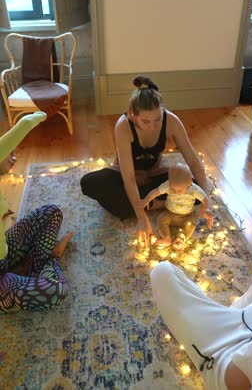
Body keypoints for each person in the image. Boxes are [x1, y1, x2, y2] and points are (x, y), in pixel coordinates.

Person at [80, 75, 209, 247]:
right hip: (125, 175)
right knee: (89, 182)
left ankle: (150, 203)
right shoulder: (123, 126)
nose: (153, 126)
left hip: (155, 175)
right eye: (146, 121)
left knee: (194, 191)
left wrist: (207, 200)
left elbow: (193, 161)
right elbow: (128, 177)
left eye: (158, 119)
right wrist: (142, 218)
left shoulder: (172, 121)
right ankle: (157, 204)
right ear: (133, 115)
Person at [0, 112, 74, 313]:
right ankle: (53, 257)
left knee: (51, 212)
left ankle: (34, 269)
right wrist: (32, 118)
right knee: (55, 291)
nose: (13, 157)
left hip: (4, 253)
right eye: (9, 151)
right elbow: (21, 126)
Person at [150, 261, 252, 389]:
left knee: (162, 272)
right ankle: (231, 312)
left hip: (225, 361)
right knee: (163, 270)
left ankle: (227, 315)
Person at [142, 163, 213, 248]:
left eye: (179, 190)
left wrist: (207, 208)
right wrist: (146, 200)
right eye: (172, 188)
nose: (175, 192)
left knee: (192, 224)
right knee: (161, 219)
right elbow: (156, 192)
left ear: (189, 183)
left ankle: (181, 238)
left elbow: (205, 199)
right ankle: (166, 238)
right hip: (170, 213)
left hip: (187, 216)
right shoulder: (168, 185)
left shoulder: (194, 190)